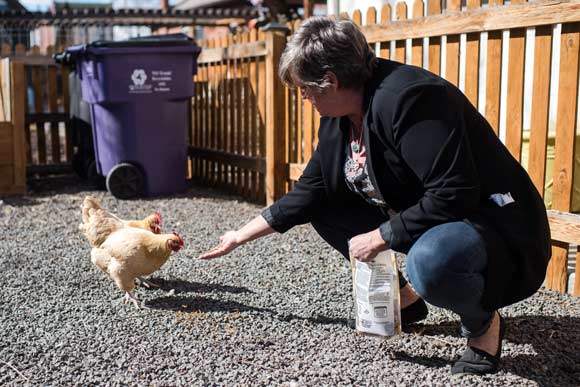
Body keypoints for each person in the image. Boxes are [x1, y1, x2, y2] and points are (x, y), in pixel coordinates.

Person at [199, 16, 551, 375]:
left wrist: (382, 236)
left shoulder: (411, 99)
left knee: (429, 262)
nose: (303, 97)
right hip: (437, 218)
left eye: (304, 88)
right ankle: (406, 302)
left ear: (331, 81)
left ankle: (482, 324)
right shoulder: (339, 114)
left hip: (489, 225)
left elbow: (454, 192)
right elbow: (312, 189)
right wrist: (238, 237)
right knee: (326, 207)